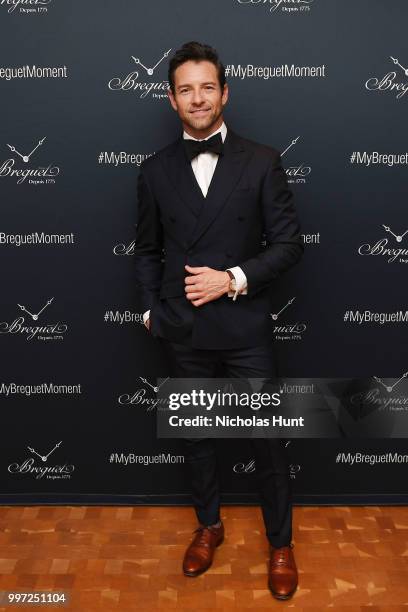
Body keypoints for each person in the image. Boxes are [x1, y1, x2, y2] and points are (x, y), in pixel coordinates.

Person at [134, 41, 304, 600]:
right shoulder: (155, 170)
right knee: (197, 439)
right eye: (186, 89)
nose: (198, 98)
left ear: (225, 93)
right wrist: (150, 310)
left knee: (268, 442)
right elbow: (147, 250)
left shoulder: (261, 160)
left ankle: (280, 542)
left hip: (244, 326)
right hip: (183, 329)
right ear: (171, 100)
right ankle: (208, 525)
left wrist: (230, 278)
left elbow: (288, 246)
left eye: (208, 87)